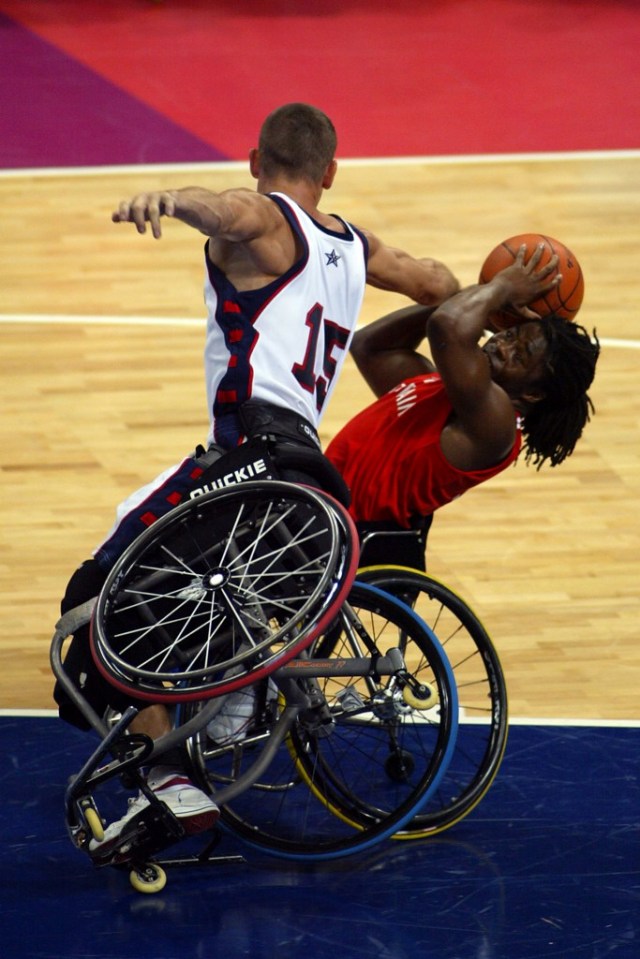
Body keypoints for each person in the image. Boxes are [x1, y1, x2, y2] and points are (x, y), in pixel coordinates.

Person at [53, 102, 459, 860]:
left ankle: (169, 777)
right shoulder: (352, 245)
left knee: (92, 596)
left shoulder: (268, 220)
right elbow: (437, 282)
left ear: (253, 159)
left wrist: (172, 201)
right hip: (313, 473)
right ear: (331, 173)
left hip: (254, 460)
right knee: (172, 570)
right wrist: (498, 296)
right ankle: (234, 692)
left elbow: (231, 215)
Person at [326, 244, 600, 570]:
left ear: (533, 395)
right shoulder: (439, 388)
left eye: (520, 354)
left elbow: (448, 327)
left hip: (342, 533)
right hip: (318, 505)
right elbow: (371, 347)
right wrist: (476, 299)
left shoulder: (495, 425)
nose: (501, 345)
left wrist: (498, 289)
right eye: (510, 334)